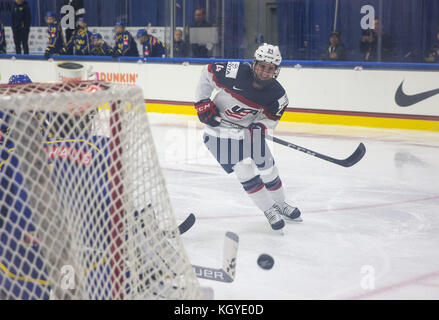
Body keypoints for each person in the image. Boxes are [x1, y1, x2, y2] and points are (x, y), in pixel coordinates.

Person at [194, 43, 302, 231]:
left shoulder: (278, 95)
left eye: (270, 68)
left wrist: (260, 126)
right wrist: (202, 103)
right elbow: (207, 72)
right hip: (218, 134)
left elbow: (271, 120)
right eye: (262, 66)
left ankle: (280, 203)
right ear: (254, 64)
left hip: (248, 132)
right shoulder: (235, 71)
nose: (265, 72)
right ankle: (269, 209)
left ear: (276, 70)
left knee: (269, 168)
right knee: (246, 170)